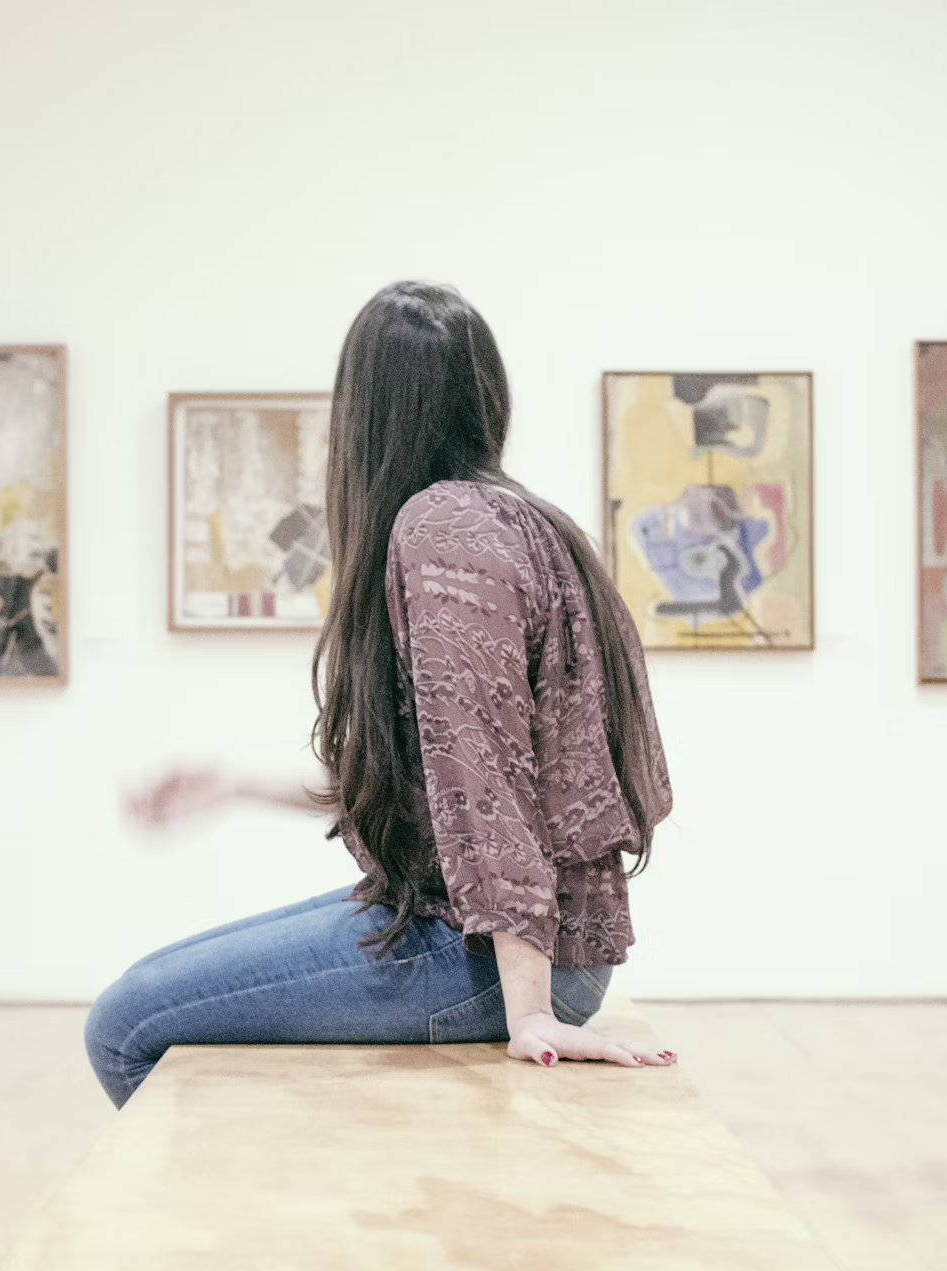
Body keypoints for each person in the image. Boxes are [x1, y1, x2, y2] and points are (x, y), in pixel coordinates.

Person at [84, 282, 676, 1109]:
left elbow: (483, 772)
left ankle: (275, 1194)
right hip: (491, 937)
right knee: (145, 991)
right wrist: (234, 785)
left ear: (362, 410)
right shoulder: (522, 520)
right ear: (485, 393)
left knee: (126, 1024)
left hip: (492, 958)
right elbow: (435, 783)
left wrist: (532, 1012)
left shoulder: (442, 528)